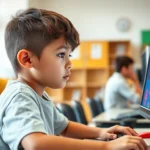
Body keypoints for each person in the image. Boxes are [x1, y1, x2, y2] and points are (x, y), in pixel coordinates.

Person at [0, 8, 147, 150]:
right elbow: (36, 144)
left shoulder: (38, 95)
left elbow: (65, 127)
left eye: (69, 55)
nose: (70, 64)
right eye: (61, 54)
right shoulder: (20, 97)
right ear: (27, 59)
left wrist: (102, 133)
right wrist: (106, 146)